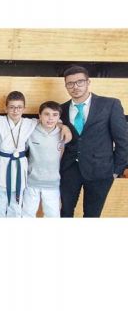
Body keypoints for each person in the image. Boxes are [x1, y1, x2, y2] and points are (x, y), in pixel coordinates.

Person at [0, 91, 71, 218]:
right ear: (5, 108)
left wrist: (64, 127)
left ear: (24, 108)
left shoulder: (30, 122)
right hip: (2, 164)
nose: (15, 111)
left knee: (16, 207)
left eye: (19, 107)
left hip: (20, 166)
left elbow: (52, 121)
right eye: (11, 107)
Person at [60, 65, 128, 217]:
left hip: (101, 171)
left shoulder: (110, 104)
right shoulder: (61, 109)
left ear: (88, 82)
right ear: (66, 86)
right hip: (69, 170)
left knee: (92, 215)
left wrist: (116, 171)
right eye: (70, 83)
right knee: (65, 213)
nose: (75, 87)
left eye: (80, 82)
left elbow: (123, 140)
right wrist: (60, 124)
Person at [22, 101, 65, 218]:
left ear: (59, 117)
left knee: (53, 216)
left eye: (55, 115)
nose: (50, 118)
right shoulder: (30, 131)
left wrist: (63, 126)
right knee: (27, 214)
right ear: (39, 116)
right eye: (47, 114)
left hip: (53, 183)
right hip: (31, 182)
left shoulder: (63, 133)